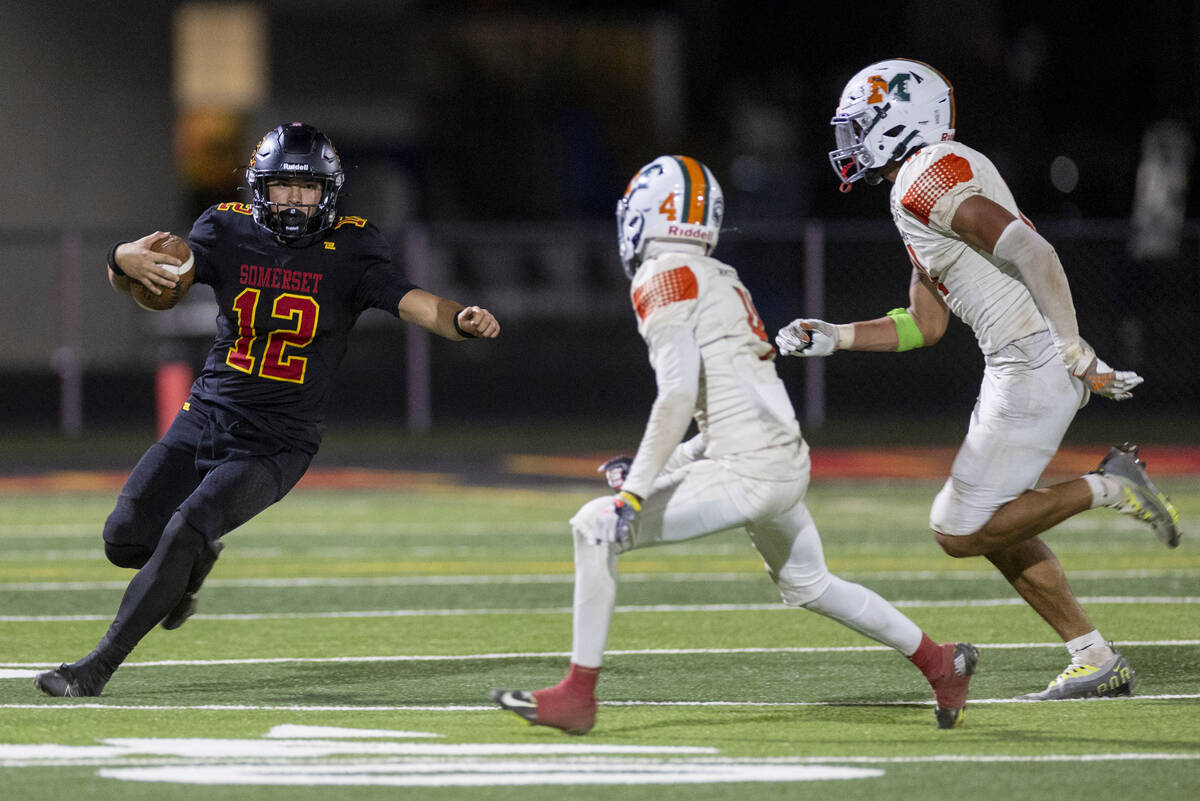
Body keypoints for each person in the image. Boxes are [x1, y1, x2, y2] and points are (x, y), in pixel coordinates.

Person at [492, 155, 978, 734]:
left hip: (750, 469)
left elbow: (675, 397)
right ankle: (940, 663)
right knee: (811, 584)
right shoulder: (719, 275)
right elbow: (728, 408)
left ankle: (578, 696)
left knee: (595, 525)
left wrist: (636, 495)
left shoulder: (665, 275)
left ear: (648, 213)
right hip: (781, 458)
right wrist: (660, 465)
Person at [35, 122, 499, 698]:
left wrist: (461, 320)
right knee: (125, 539)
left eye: (308, 188)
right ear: (261, 187)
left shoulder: (351, 249)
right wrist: (120, 257)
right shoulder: (225, 229)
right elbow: (150, 280)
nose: (296, 199)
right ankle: (187, 570)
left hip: (276, 442)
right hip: (204, 415)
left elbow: (416, 303)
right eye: (283, 186)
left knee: (187, 527)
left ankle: (95, 668)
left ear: (329, 192)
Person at [775, 59, 1182, 701]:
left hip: (1033, 361)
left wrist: (1072, 349)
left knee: (957, 529)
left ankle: (1111, 486)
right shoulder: (914, 182)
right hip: (1020, 362)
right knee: (994, 522)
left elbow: (1033, 250)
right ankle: (1094, 656)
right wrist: (837, 335)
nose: (847, 145)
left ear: (897, 120)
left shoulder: (925, 173)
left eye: (859, 128)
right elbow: (925, 323)